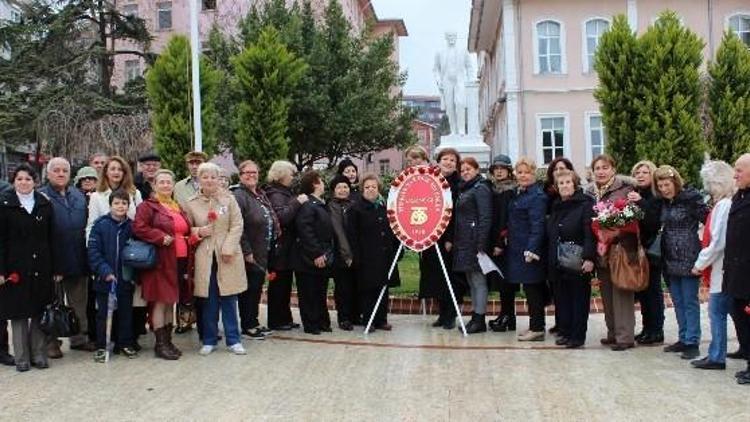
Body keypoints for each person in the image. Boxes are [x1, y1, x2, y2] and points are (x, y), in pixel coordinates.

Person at [184, 162, 247, 356]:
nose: (209, 180)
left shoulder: (229, 200)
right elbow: (187, 229)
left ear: (219, 179)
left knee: (229, 298)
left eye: (213, 177)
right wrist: (200, 231)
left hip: (227, 255)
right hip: (205, 256)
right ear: (199, 179)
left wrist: (228, 247)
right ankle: (209, 339)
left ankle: (233, 339)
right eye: (205, 177)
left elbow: (237, 225)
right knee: (208, 300)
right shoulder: (192, 202)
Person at [0, 164, 58, 372]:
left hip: (42, 266)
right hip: (15, 268)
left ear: (35, 182)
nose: (24, 183)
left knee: (39, 310)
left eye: (28, 179)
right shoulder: (5, 204)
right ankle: (22, 357)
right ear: (13, 181)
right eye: (20, 179)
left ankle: (38, 354)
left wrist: (56, 267)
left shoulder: (44, 204)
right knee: (18, 314)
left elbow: (52, 237)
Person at [86, 156, 145, 349]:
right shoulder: (97, 196)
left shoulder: (134, 193)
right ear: (106, 172)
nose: (116, 172)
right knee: (105, 309)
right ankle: (104, 343)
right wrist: (98, 262)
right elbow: (90, 227)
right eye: (112, 169)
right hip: (105, 255)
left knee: (127, 306)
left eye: (120, 169)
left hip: (127, 258)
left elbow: (139, 224)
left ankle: (126, 341)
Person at [133, 170, 192, 360]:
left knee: (170, 301)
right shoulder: (148, 206)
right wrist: (159, 237)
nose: (166, 185)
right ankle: (160, 344)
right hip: (160, 260)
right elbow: (139, 228)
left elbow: (184, 230)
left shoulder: (176, 206)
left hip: (179, 260)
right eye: (162, 182)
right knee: (160, 301)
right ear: (154, 185)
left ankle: (168, 340)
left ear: (173, 185)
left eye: (169, 182)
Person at [40, 158, 93, 357]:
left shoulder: (78, 196)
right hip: (54, 261)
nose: (61, 174)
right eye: (56, 170)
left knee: (78, 302)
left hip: (78, 257)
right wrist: (52, 266)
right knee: (53, 303)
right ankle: (51, 342)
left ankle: (79, 338)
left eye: (65, 170)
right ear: (48, 173)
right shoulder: (41, 196)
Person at [655, 165, 709, 360]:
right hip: (670, 255)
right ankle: (683, 337)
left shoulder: (690, 199)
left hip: (688, 255)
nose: (663, 189)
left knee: (689, 301)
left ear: (675, 182)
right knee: (677, 300)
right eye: (660, 185)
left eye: (666, 184)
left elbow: (708, 220)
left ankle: (692, 341)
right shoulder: (664, 203)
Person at [584, 154, 637, 351]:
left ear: (613, 169)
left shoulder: (625, 189)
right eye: (597, 168)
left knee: (621, 293)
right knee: (606, 293)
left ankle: (625, 337)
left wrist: (613, 227)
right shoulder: (589, 192)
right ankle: (613, 333)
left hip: (621, 248)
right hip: (601, 250)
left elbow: (632, 214)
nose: (601, 171)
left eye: (605, 167)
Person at [689, 161, 735, 370]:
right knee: (729, 311)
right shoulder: (727, 203)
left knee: (717, 312)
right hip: (725, 268)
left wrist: (700, 263)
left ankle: (717, 356)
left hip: (722, 269)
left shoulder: (724, 206)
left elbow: (718, 242)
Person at [546, 169, 596, 348]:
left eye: (568, 182)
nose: (565, 186)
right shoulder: (556, 205)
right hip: (558, 260)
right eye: (561, 183)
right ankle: (566, 332)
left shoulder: (585, 204)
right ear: (556, 187)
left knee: (579, 300)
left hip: (578, 260)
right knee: (562, 300)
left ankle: (577, 336)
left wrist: (589, 258)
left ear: (575, 184)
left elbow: (590, 233)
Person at [87, 189, 138, 362]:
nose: (120, 206)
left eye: (124, 203)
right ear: (110, 205)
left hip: (124, 278)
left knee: (125, 313)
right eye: (116, 203)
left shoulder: (131, 226)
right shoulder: (100, 225)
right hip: (105, 280)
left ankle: (125, 343)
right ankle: (103, 346)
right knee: (104, 315)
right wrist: (104, 270)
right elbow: (93, 252)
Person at [233, 160, 279, 339]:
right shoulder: (239, 195)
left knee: (257, 287)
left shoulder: (259, 194)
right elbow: (239, 226)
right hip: (249, 251)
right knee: (249, 290)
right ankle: (248, 325)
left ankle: (254, 321)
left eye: (254, 172)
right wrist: (246, 251)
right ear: (240, 176)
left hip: (263, 249)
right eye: (247, 173)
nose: (251, 175)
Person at [349, 174, 400, 332]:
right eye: (367, 187)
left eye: (374, 187)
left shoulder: (386, 206)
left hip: (385, 255)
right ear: (362, 189)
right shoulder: (356, 209)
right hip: (367, 257)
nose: (370, 189)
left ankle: (381, 319)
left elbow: (394, 229)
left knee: (383, 288)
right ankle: (369, 320)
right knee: (368, 290)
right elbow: (352, 235)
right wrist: (356, 257)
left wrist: (396, 249)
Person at [421, 148, 464, 329]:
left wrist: (449, 238)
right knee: (437, 277)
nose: (448, 162)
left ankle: (451, 314)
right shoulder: (431, 181)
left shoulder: (459, 184)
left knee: (451, 277)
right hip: (432, 236)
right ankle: (441, 313)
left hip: (449, 238)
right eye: (445, 159)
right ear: (438, 161)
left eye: (452, 160)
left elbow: (456, 214)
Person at [506, 158, 548, 341]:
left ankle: (537, 328)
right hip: (517, 248)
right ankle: (534, 325)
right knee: (529, 288)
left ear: (534, 174)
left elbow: (538, 225)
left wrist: (532, 250)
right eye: (520, 172)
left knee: (533, 289)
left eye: (527, 172)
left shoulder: (537, 196)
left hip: (529, 251)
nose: (523, 175)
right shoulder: (521, 193)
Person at [265, 160, 307, 330]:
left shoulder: (283, 192)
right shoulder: (276, 194)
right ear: (281, 175)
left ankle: (285, 318)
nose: (293, 177)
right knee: (279, 286)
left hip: (286, 248)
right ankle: (277, 321)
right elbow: (281, 218)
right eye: (291, 174)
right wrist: (298, 202)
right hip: (279, 249)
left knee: (285, 285)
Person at [291, 171, 335, 335]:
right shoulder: (308, 205)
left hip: (321, 254)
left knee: (319, 291)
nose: (324, 183)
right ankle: (311, 324)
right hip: (308, 258)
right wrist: (316, 253)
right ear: (315, 184)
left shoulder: (318, 203)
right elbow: (305, 230)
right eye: (321, 181)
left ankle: (322, 321)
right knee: (309, 292)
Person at [452, 157, 493, 334]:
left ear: (477, 170)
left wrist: (481, 244)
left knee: (478, 280)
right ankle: (475, 317)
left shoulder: (481, 188)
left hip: (475, 242)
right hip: (465, 242)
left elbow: (485, 217)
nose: (465, 172)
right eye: (462, 170)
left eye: (469, 169)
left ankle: (480, 319)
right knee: (471, 280)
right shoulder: (466, 189)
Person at [627, 160, 665, 345]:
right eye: (637, 172)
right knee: (643, 291)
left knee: (653, 291)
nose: (640, 175)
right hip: (639, 249)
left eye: (645, 172)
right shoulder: (637, 194)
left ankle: (656, 330)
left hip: (652, 250)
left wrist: (640, 203)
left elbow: (652, 222)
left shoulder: (655, 197)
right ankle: (647, 328)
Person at [724, 153, 750, 385]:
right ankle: (746, 351)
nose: (735, 175)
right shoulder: (740, 196)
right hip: (737, 271)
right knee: (737, 311)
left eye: (739, 171)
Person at [487, 154, 519, 333]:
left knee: (506, 281)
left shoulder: (509, 191)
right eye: (496, 168)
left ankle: (508, 316)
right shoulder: (495, 189)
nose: (499, 171)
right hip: (497, 240)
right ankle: (506, 315)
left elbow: (505, 220)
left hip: (505, 242)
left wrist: (500, 242)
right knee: (501, 281)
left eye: (502, 168)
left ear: (508, 170)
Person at [327, 175, 358, 330]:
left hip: (355, 252)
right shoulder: (333, 206)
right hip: (341, 254)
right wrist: (347, 255)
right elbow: (338, 231)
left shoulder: (353, 204)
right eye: (339, 187)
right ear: (333, 191)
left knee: (354, 285)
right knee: (343, 287)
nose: (343, 190)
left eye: (345, 187)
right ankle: (344, 318)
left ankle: (354, 315)